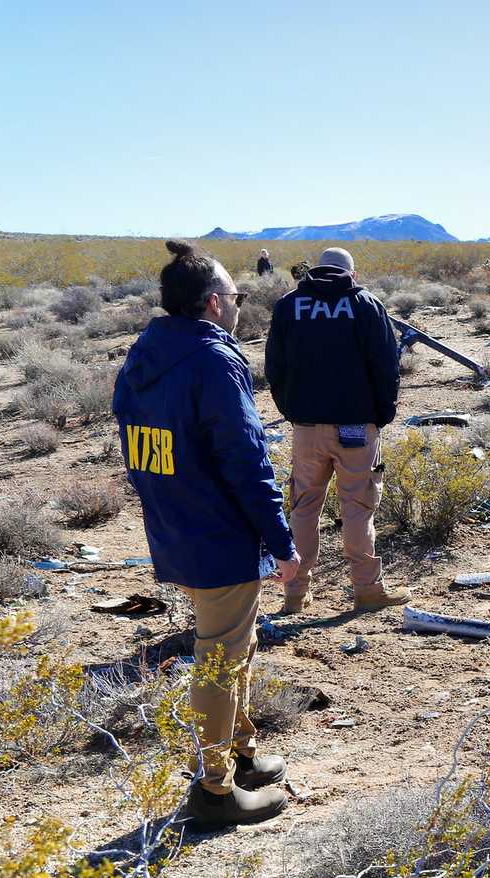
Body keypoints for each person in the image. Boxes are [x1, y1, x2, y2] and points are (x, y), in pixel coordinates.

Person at [112, 241, 301, 828]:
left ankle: (240, 756)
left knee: (232, 647)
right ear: (216, 303)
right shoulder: (213, 361)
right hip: (219, 533)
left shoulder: (148, 354)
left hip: (176, 525)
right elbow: (246, 461)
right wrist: (283, 541)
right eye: (237, 297)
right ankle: (215, 789)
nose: (241, 306)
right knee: (219, 659)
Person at [265, 247, 408, 616]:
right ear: (352, 273)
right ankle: (367, 590)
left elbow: (274, 368)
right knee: (358, 507)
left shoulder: (289, 305)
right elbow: (386, 366)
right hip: (356, 427)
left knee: (303, 506)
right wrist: (381, 415)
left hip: (307, 428)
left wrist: (292, 412)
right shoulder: (365, 304)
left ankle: (295, 593)